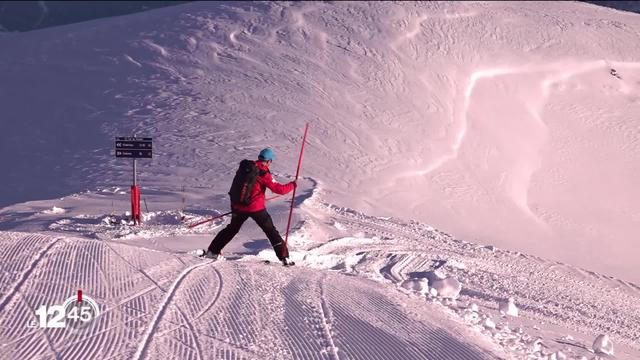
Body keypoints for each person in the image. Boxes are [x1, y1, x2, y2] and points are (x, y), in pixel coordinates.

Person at [204, 148, 297, 266]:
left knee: (231, 229)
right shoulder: (263, 172)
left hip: (238, 206)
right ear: (268, 161)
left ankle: (212, 251)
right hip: (255, 209)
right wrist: (293, 185)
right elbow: (280, 190)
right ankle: (284, 257)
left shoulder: (246, 167)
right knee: (270, 231)